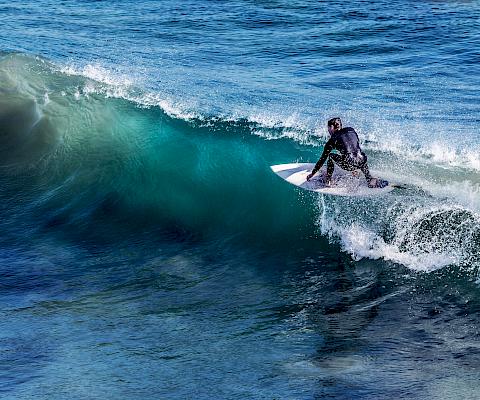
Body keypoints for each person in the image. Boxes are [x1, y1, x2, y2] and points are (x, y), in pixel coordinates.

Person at [306, 117, 382, 188]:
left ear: (332, 127)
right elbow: (352, 148)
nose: (328, 131)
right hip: (362, 161)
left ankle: (328, 180)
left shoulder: (333, 139)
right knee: (357, 154)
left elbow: (322, 159)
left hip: (349, 164)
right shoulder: (351, 130)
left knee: (331, 156)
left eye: (328, 128)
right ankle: (369, 179)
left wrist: (312, 174)